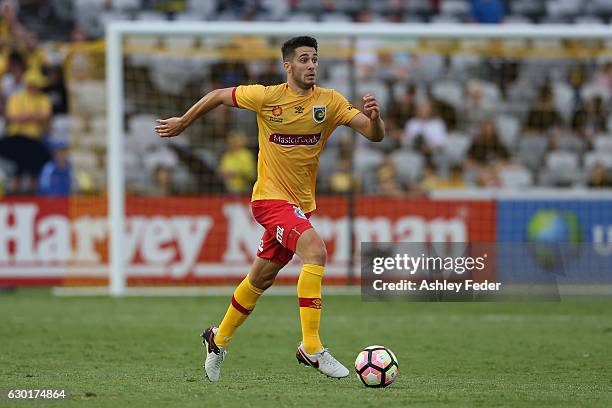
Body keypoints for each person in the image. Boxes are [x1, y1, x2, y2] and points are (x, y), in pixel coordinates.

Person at [155, 36, 385, 382]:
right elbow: (218, 95)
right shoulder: (267, 97)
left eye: (315, 60)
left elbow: (373, 135)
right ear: (287, 65)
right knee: (316, 251)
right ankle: (311, 346)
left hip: (299, 206)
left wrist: (376, 118)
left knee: (260, 278)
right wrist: (184, 122)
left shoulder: (331, 102)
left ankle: (217, 340)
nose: (311, 66)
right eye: (304, 59)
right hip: (269, 199)